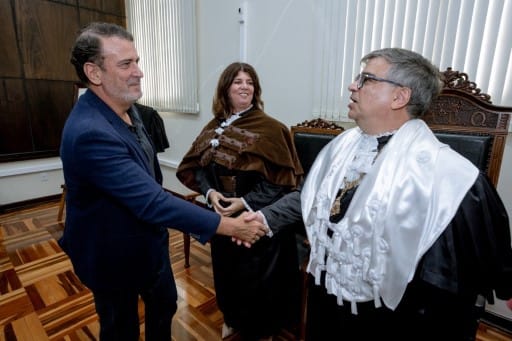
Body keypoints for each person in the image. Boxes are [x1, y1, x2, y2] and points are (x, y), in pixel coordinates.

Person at [244, 48, 512, 340]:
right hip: (328, 298)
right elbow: (313, 196)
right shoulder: (341, 146)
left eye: (366, 79)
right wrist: (262, 218)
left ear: (400, 97)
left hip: (391, 318)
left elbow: (448, 280)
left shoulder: (450, 179)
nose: (352, 85)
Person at [59, 22, 268, 341]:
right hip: (111, 253)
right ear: (94, 72)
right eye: (126, 64)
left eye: (137, 61)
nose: (139, 72)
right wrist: (231, 226)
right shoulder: (90, 132)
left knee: (165, 305)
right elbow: (152, 200)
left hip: (149, 243)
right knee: (120, 327)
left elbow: (149, 180)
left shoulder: (130, 110)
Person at [176, 62, 304, 340]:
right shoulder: (214, 126)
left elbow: (280, 181)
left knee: (259, 279)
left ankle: (263, 330)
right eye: (238, 81)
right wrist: (210, 194)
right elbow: (198, 167)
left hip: (257, 216)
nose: (245, 86)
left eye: (250, 82)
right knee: (226, 272)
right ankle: (232, 317)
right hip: (221, 214)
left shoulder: (272, 129)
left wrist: (244, 202)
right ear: (225, 88)